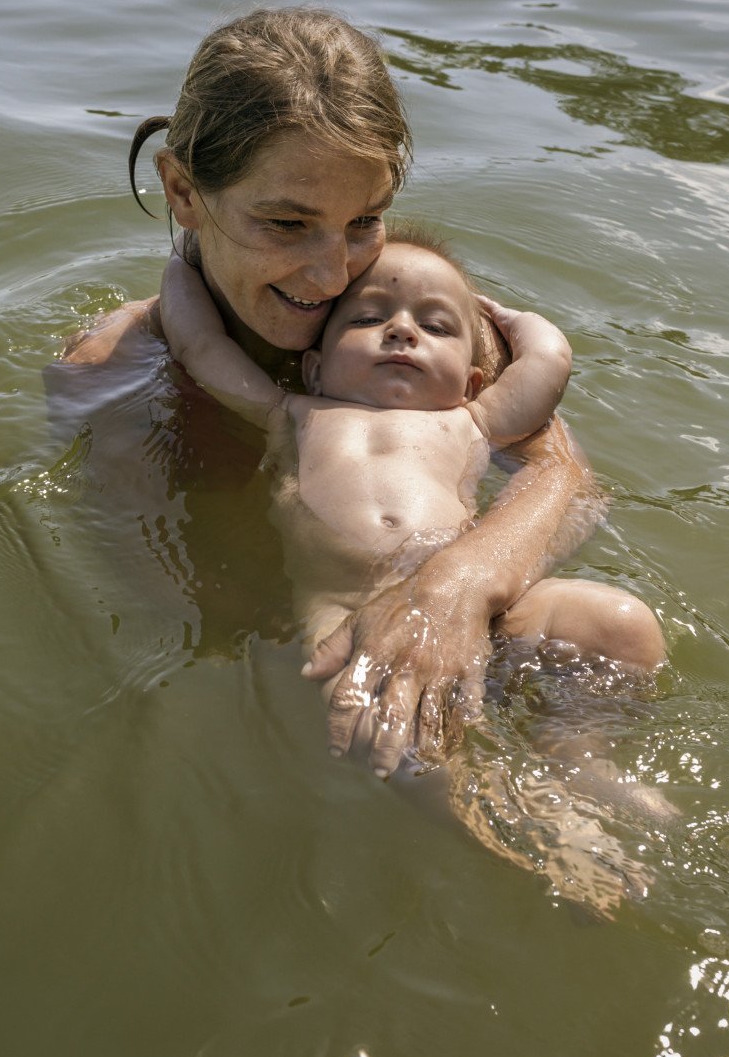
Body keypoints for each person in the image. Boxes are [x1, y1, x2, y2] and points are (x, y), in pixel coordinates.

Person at [53, 5, 663, 775]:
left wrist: (459, 584)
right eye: (285, 223)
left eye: (364, 220)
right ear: (181, 191)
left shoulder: (426, 331)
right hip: (309, 668)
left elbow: (565, 478)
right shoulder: (113, 365)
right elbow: (176, 595)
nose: (333, 274)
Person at [157, 229, 665, 775]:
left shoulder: (472, 421)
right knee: (381, 728)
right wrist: (186, 257)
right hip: (344, 605)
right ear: (315, 368)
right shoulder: (290, 413)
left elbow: (549, 360)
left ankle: (580, 758)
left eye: (437, 326)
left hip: (480, 604)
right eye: (367, 319)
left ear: (473, 381)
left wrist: (510, 319)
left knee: (619, 623)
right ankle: (501, 811)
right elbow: (199, 344)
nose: (401, 330)